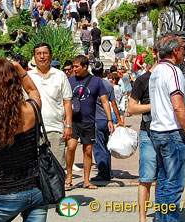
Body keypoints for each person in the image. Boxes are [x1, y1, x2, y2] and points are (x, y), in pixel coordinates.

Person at [0, 58, 47, 222]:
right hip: (36, 189)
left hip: (5, 192)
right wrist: (19, 70)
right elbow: (33, 92)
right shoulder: (31, 110)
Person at [148, 35, 185, 222]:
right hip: (172, 132)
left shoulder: (156, 71)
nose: (184, 52)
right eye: (183, 49)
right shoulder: (173, 71)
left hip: (158, 131)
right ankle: (169, 220)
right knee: (174, 183)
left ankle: (161, 220)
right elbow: (178, 105)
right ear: (175, 51)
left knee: (163, 180)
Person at [66, 55, 115, 190]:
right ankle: (69, 177)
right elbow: (64, 101)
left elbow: (105, 101)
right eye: (73, 67)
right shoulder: (69, 81)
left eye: (76, 67)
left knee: (88, 151)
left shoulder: (96, 82)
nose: (73, 69)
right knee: (71, 147)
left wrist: (110, 119)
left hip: (89, 121)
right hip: (73, 121)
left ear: (85, 67)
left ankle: (86, 180)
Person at [128, 42, 158, 222]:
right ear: (154, 54)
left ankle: (163, 214)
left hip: (169, 132)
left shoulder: (174, 77)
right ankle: (142, 218)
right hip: (148, 131)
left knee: (164, 178)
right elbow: (131, 107)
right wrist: (155, 107)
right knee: (146, 176)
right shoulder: (143, 79)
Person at [28, 43, 72, 167]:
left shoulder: (60, 75)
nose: (42, 57)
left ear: (50, 56)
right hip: (33, 131)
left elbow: (67, 101)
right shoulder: (28, 77)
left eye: (45, 53)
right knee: (35, 169)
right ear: (34, 57)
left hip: (55, 129)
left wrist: (68, 125)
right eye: (39, 54)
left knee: (56, 168)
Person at [91, 61, 124, 182]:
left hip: (95, 118)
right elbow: (113, 104)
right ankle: (107, 170)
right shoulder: (108, 85)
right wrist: (119, 119)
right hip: (106, 118)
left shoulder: (90, 84)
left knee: (98, 147)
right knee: (105, 145)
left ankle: (103, 172)